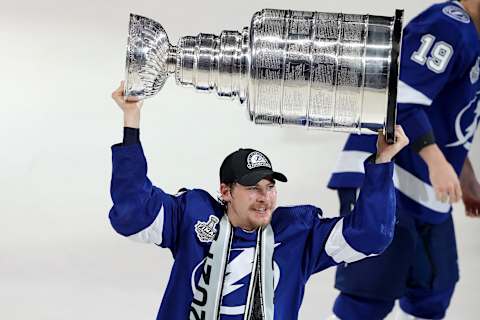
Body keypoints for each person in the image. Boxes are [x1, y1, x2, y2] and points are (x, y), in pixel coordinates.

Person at [108, 81, 409, 320]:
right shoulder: (192, 217)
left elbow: (371, 236)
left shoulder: (297, 234)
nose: (264, 198)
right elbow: (133, 213)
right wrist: (131, 121)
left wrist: (382, 162)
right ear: (225, 192)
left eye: (270, 187)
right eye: (253, 188)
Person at [326, 1, 480, 319]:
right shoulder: (449, 26)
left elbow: (447, 116)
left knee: (433, 292)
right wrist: (436, 160)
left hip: (423, 187)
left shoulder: (471, 36)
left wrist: (463, 173)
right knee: (368, 296)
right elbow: (399, 97)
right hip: (385, 176)